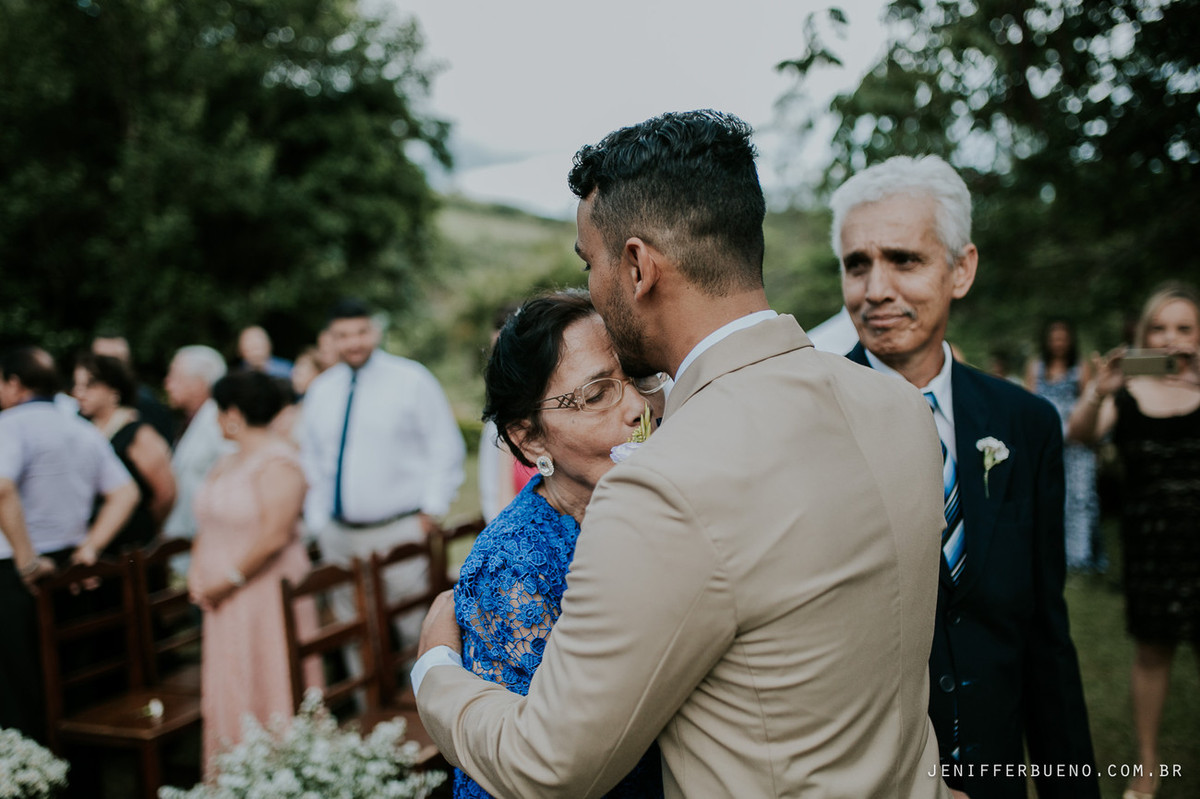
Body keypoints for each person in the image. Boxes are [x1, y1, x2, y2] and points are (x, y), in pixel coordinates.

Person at [414, 110, 948, 798]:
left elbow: (548, 764)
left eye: (591, 264)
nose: (595, 294)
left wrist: (434, 668)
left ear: (636, 266)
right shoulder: (900, 407)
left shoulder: (665, 485)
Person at [833, 154, 1098, 799]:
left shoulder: (1026, 424)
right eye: (857, 264)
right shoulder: (810, 421)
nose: (875, 290)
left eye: (904, 260)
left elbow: (1044, 635)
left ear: (962, 269)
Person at [452, 290, 666, 798]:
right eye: (595, 395)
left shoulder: (663, 502)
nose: (638, 408)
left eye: (637, 377)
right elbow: (548, 760)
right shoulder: (513, 567)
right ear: (530, 440)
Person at [1067, 282, 1200, 799]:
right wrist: (1100, 388)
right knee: (1153, 653)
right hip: (1154, 548)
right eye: (1159, 329)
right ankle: (1147, 766)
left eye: (1184, 328)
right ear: (1144, 336)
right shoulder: (1127, 393)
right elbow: (1079, 434)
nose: (1170, 339)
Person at [299, 298, 465, 662]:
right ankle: (367, 713)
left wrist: (431, 510)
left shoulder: (411, 380)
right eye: (343, 335)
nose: (354, 342)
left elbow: (445, 448)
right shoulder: (321, 391)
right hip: (338, 535)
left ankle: (422, 713)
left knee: (414, 629)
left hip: (399, 530)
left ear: (374, 330)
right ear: (331, 338)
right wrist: (318, 521)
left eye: (360, 332)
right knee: (353, 631)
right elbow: (311, 459)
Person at [0, 346, 138, 740]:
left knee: (21, 691)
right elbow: (125, 493)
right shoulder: (80, 429)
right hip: (74, 570)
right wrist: (91, 547)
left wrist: (26, 561)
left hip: (17, 571)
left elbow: (2, 488)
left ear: (13, 384)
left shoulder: (9, 425)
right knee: (70, 683)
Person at [187, 371, 319, 771]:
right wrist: (198, 574)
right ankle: (234, 772)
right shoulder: (225, 462)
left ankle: (277, 772)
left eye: (217, 412)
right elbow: (206, 524)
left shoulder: (280, 463)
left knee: (268, 674)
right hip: (223, 598)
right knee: (231, 679)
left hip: (264, 591)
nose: (213, 422)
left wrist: (227, 581)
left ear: (233, 414)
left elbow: (275, 536)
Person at [72, 353, 177, 552]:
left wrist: (144, 526)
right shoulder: (81, 429)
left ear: (114, 390)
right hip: (91, 543)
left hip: (131, 546)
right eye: (76, 386)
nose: (79, 393)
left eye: (89, 386)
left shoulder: (138, 434)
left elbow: (166, 494)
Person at [1026, 319, 1103, 572]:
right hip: (1044, 440)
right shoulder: (1035, 366)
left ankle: (1079, 556)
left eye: (1063, 337)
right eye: (1054, 337)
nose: (1058, 342)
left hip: (1075, 441)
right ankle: (1047, 552)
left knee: (1079, 497)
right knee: (1045, 495)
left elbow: (1088, 401)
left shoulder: (1080, 367)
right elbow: (1028, 400)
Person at [162, 345, 234, 543]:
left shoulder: (218, 421)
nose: (167, 383)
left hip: (212, 538)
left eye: (174, 376)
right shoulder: (195, 420)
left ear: (199, 383)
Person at [92, 333, 177, 444]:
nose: (110, 368)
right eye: (102, 362)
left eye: (115, 361)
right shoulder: (85, 403)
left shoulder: (145, 403)